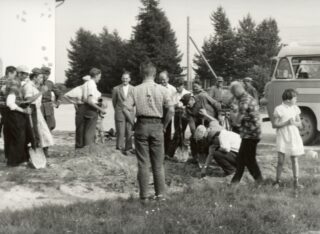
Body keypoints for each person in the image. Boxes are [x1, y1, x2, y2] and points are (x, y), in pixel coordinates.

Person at [123, 61, 174, 203]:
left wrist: (132, 123)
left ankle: (144, 197)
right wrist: (164, 124)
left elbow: (125, 108)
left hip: (141, 125)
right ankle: (161, 196)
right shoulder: (163, 90)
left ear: (141, 73)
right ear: (155, 74)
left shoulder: (134, 89)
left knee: (143, 163)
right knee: (158, 164)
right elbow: (171, 109)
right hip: (157, 125)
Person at [229, 81, 263, 184]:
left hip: (251, 134)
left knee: (249, 159)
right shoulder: (248, 98)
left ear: (237, 91)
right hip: (252, 133)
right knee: (242, 159)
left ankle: (259, 180)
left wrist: (232, 115)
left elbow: (237, 121)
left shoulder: (244, 100)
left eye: (234, 93)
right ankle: (235, 181)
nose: (234, 96)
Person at [273, 89, 304, 189]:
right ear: (288, 100)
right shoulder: (279, 109)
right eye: (295, 98)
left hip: (293, 136)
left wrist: (294, 123)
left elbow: (300, 124)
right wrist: (286, 123)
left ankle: (296, 181)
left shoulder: (295, 108)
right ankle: (277, 181)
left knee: (294, 159)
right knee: (280, 160)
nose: (296, 100)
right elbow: (275, 124)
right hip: (282, 136)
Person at [180, 88, 221, 162]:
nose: (188, 106)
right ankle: (195, 157)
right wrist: (195, 134)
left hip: (212, 121)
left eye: (188, 104)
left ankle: (213, 157)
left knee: (213, 138)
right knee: (194, 138)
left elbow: (216, 104)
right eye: (186, 105)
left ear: (192, 99)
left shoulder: (202, 96)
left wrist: (220, 116)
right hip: (201, 124)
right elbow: (191, 123)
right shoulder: (188, 109)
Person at [196, 111, 241, 178]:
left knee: (217, 153)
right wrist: (204, 169)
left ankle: (231, 171)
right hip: (238, 153)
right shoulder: (215, 136)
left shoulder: (222, 135)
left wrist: (219, 148)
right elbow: (210, 155)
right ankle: (234, 167)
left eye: (207, 139)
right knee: (216, 152)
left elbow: (226, 149)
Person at [23, 68, 54, 157]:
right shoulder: (28, 86)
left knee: (41, 133)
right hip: (31, 110)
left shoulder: (34, 86)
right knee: (34, 133)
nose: (42, 79)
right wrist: (41, 92)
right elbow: (28, 100)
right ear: (35, 77)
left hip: (37, 111)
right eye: (40, 77)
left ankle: (40, 151)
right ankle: (30, 153)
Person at [4, 83, 31, 166]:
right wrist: (23, 111)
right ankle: (13, 161)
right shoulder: (11, 94)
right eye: (17, 86)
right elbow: (10, 105)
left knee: (21, 138)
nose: (19, 87)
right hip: (14, 118)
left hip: (19, 118)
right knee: (17, 138)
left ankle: (21, 159)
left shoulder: (17, 94)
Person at [63, 75, 90, 148]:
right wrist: (73, 102)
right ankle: (78, 146)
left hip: (90, 108)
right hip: (81, 106)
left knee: (88, 128)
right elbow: (66, 95)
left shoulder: (92, 89)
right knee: (80, 128)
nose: (87, 83)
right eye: (86, 81)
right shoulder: (78, 89)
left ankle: (87, 146)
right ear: (83, 81)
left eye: (88, 81)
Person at [82, 68, 106, 147]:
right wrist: (100, 109)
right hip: (91, 110)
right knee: (90, 132)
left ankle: (88, 148)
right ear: (96, 76)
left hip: (87, 109)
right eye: (99, 76)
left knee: (89, 130)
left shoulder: (87, 83)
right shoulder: (91, 84)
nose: (100, 78)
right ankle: (88, 149)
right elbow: (90, 101)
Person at [167, 78, 190, 158]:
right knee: (178, 132)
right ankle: (179, 151)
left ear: (183, 85)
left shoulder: (188, 93)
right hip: (177, 115)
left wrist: (184, 106)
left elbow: (191, 104)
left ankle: (171, 153)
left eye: (179, 86)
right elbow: (171, 104)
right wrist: (176, 105)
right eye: (176, 86)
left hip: (184, 115)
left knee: (180, 132)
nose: (177, 88)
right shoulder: (174, 94)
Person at [112, 71, 134, 155]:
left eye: (127, 78)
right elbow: (114, 102)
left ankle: (129, 148)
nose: (125, 80)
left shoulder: (133, 89)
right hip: (120, 111)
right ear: (121, 79)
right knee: (120, 131)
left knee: (129, 130)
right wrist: (118, 109)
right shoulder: (116, 89)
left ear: (129, 79)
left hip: (130, 112)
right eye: (123, 78)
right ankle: (119, 148)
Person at [159, 70, 176, 156]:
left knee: (167, 131)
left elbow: (174, 101)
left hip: (168, 111)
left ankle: (166, 152)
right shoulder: (157, 87)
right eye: (161, 79)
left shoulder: (172, 89)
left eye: (164, 79)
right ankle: (159, 151)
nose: (163, 81)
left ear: (168, 79)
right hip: (159, 111)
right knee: (159, 131)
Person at [40, 66, 62, 131]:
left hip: (48, 107)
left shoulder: (50, 83)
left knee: (51, 125)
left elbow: (59, 94)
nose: (46, 76)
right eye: (45, 74)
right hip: (39, 106)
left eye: (48, 75)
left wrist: (57, 103)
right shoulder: (36, 83)